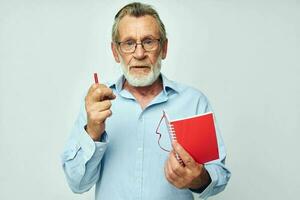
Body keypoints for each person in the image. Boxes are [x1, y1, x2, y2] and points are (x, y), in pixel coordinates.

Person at [61, 2, 231, 200]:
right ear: (116, 52)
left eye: (149, 41)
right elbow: (77, 184)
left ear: (164, 48)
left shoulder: (193, 102)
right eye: (128, 43)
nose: (139, 54)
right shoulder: (96, 104)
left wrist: (198, 178)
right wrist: (93, 131)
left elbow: (219, 175)